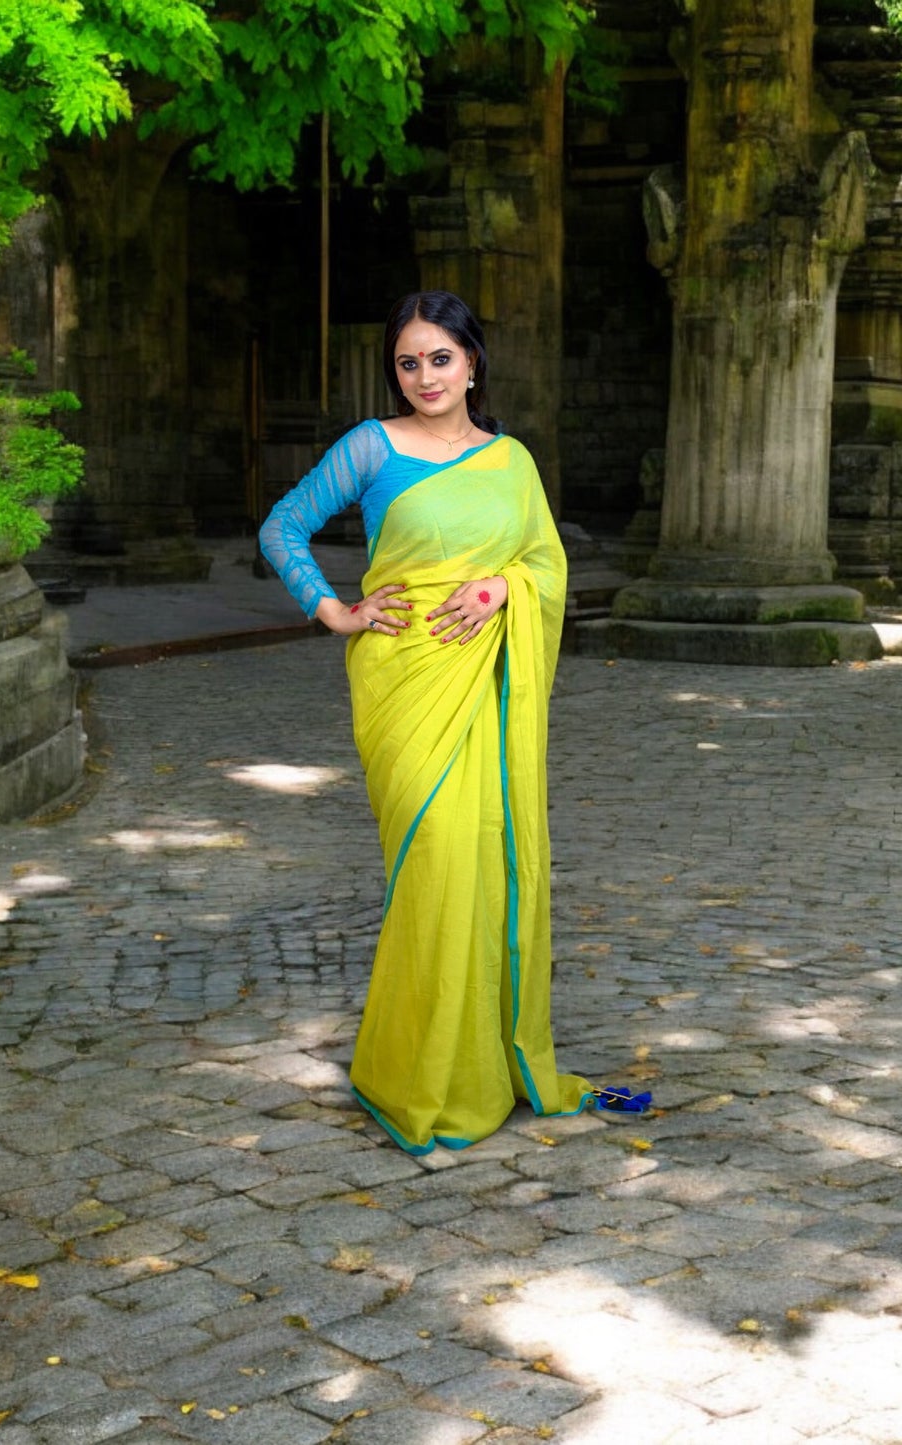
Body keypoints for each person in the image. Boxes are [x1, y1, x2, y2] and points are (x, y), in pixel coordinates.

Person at [260, 290, 644, 1154]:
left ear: (472, 361)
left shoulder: (510, 460)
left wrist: (504, 588)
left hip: (487, 679)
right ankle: (416, 1073)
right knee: (434, 862)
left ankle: (480, 1065)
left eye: (440, 357)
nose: (425, 375)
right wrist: (335, 610)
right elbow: (282, 524)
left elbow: (545, 561)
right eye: (408, 361)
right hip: (404, 685)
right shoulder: (372, 444)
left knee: (487, 862)